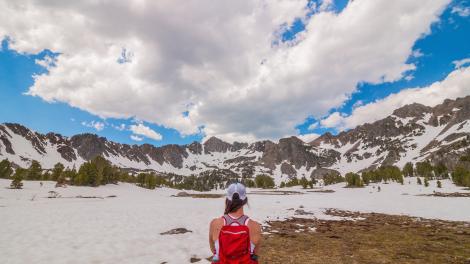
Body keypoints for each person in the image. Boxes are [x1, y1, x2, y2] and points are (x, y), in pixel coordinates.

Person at [209, 183, 262, 263]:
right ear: (245, 200)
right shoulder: (256, 226)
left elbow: (214, 250)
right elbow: (255, 254)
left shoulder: (215, 224)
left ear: (227, 199)